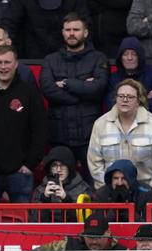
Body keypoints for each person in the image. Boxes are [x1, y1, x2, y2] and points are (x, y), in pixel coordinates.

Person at [0, 46, 48, 204]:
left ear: (16, 64)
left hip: (20, 173)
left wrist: (29, 164)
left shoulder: (29, 92)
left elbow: (40, 130)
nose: (3, 67)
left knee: (22, 226)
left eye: (7, 62)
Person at [40, 14, 109, 172]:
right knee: (58, 189)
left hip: (89, 137)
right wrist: (83, 90)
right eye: (68, 30)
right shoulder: (50, 60)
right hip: (59, 137)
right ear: (62, 32)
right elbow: (48, 90)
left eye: (76, 29)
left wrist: (66, 83)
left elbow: (97, 89)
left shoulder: (98, 58)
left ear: (85, 33)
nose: (71, 33)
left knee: (93, 189)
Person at [87, 79, 152, 197]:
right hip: (111, 196)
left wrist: (151, 192)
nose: (125, 100)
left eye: (130, 97)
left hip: (144, 195)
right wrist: (107, 191)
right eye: (121, 96)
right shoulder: (100, 124)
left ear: (139, 100)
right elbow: (94, 162)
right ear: (115, 98)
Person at [105, 37, 152, 117]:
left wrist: (124, 102)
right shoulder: (114, 78)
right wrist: (145, 98)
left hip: (149, 123)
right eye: (125, 54)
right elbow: (111, 106)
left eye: (134, 54)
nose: (129, 58)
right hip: (120, 125)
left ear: (140, 56)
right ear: (120, 58)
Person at [29, 146, 90, 222]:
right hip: (49, 233)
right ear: (50, 169)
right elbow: (34, 221)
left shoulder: (83, 189)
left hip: (74, 233)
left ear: (69, 167)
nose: (58, 170)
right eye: (54, 165)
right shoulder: (40, 190)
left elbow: (86, 221)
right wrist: (45, 199)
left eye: (63, 165)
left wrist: (66, 199)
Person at [88, 158, 152, 221]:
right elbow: (98, 225)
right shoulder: (101, 194)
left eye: (124, 178)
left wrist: (128, 210)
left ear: (131, 179)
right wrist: (115, 208)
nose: (119, 183)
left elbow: (150, 225)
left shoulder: (146, 193)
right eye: (116, 178)